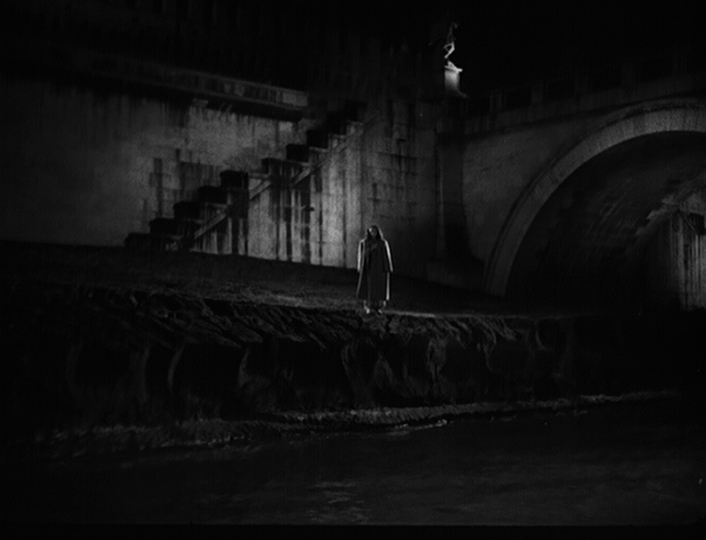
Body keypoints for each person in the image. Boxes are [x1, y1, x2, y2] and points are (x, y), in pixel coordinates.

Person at [356, 225, 393, 314]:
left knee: (379, 288)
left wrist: (387, 268)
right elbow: (361, 256)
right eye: (371, 231)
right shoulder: (364, 243)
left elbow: (386, 256)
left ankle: (378, 307)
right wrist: (360, 267)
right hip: (368, 269)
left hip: (379, 269)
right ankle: (368, 306)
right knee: (368, 288)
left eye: (375, 231)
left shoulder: (382, 243)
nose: (373, 233)